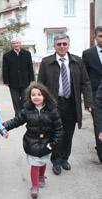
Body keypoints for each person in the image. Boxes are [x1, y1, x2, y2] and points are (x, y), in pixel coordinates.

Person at [38, 34, 94, 175]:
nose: (62, 47)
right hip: (54, 105)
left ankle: (64, 159)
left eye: (64, 44)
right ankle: (56, 161)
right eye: (59, 44)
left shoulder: (77, 61)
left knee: (68, 133)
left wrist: (88, 101)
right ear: (54, 46)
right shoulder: (46, 62)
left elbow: (85, 82)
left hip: (71, 104)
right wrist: (40, 105)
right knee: (56, 134)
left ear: (68, 45)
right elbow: (40, 86)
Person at [1, 83, 63, 198]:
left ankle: (41, 176)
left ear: (44, 96)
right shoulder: (27, 110)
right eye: (33, 95)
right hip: (31, 141)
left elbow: (58, 128)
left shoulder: (52, 111)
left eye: (39, 94)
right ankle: (34, 186)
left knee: (43, 160)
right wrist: (4, 126)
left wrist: (54, 141)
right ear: (30, 97)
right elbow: (16, 121)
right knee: (35, 163)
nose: (36, 97)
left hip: (47, 141)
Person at [82, 25, 102, 163]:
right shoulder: (88, 54)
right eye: (100, 35)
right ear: (95, 37)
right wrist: (88, 100)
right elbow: (85, 78)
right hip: (96, 97)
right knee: (99, 125)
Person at [2, 37, 34, 116]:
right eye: (14, 43)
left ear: (20, 44)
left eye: (17, 43)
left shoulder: (27, 54)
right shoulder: (7, 55)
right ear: (11, 45)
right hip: (13, 81)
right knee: (15, 99)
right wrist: (6, 81)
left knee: (25, 98)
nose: (16, 45)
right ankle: (18, 114)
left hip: (25, 80)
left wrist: (32, 79)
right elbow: (5, 69)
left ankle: (25, 113)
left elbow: (30, 66)